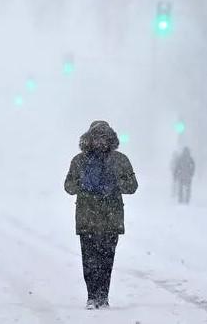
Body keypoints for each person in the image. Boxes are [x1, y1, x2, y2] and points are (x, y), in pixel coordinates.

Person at [64, 120, 138, 310]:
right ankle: (91, 297)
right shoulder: (79, 161)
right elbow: (68, 187)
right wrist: (84, 184)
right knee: (89, 261)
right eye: (96, 137)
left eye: (104, 137)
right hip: (87, 219)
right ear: (89, 139)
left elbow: (132, 186)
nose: (100, 142)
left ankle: (103, 296)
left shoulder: (120, 160)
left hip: (110, 221)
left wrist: (116, 183)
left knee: (106, 261)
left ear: (111, 139)